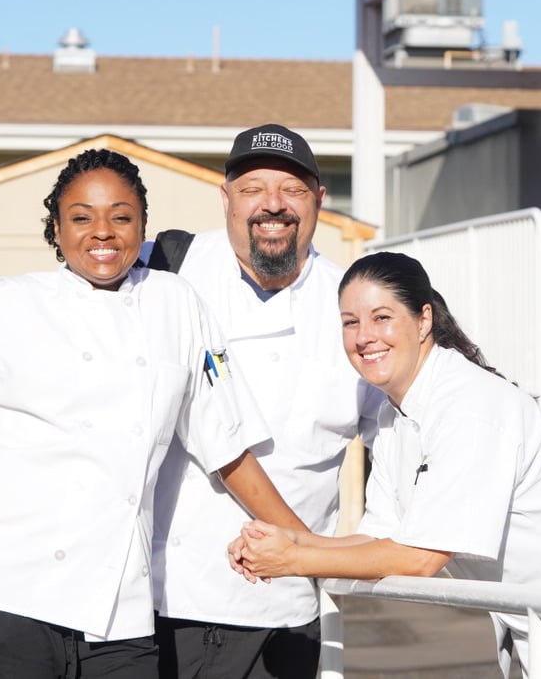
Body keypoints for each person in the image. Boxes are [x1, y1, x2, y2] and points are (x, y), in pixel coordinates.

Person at [0, 149, 304, 679]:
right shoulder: (9, 305)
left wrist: (308, 549)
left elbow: (227, 446)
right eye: (81, 218)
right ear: (56, 228)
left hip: (119, 611)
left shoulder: (179, 304)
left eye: (121, 217)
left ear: (142, 225)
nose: (102, 232)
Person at [232, 251, 541, 679]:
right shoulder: (395, 412)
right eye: (350, 322)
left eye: (382, 318)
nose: (364, 336)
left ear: (423, 320)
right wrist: (290, 540)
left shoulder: (469, 406)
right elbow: (379, 539)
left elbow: (421, 558)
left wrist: (294, 559)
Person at [144, 124, 382, 679]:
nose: (272, 205)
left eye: (293, 189)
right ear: (225, 199)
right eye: (252, 188)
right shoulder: (166, 270)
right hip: (163, 596)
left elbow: (397, 438)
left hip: (286, 606)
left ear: (320, 201)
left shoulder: (353, 304)